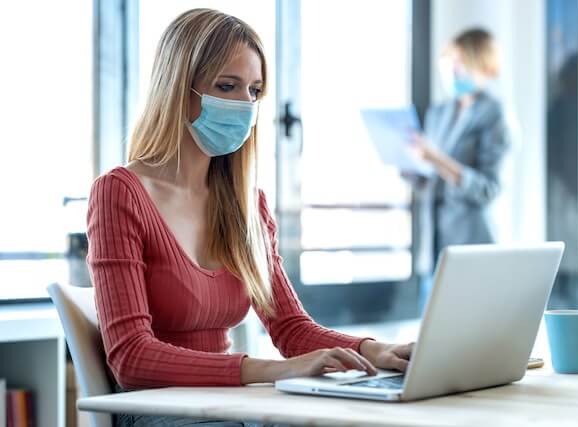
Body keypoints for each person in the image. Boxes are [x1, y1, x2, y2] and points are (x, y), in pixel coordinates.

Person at [86, 8, 413, 427]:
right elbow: (131, 356)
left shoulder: (246, 203)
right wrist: (273, 371)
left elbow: (291, 328)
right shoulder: (120, 193)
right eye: (227, 86)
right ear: (177, 89)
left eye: (255, 91)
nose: (245, 105)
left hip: (228, 404)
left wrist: (374, 350)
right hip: (160, 408)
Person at [406, 28, 510, 311]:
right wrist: (409, 165)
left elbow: (487, 189)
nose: (452, 70)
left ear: (482, 65)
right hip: (435, 244)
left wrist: (437, 158)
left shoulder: (495, 115)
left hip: (472, 244)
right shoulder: (439, 113)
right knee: (433, 337)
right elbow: (430, 180)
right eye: (449, 60)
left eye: (460, 61)